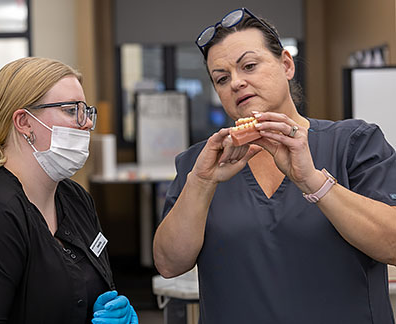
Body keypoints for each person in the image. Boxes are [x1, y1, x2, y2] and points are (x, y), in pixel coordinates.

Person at [153, 7, 396, 324]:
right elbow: (169, 264)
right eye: (222, 79)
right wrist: (200, 183)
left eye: (249, 66)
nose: (237, 83)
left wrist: (312, 182)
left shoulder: (353, 143)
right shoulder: (201, 164)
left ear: (286, 64)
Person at [0, 57, 138, 324]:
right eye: (71, 110)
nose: (86, 124)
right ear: (24, 122)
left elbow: (92, 290)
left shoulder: (76, 199)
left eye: (85, 111)